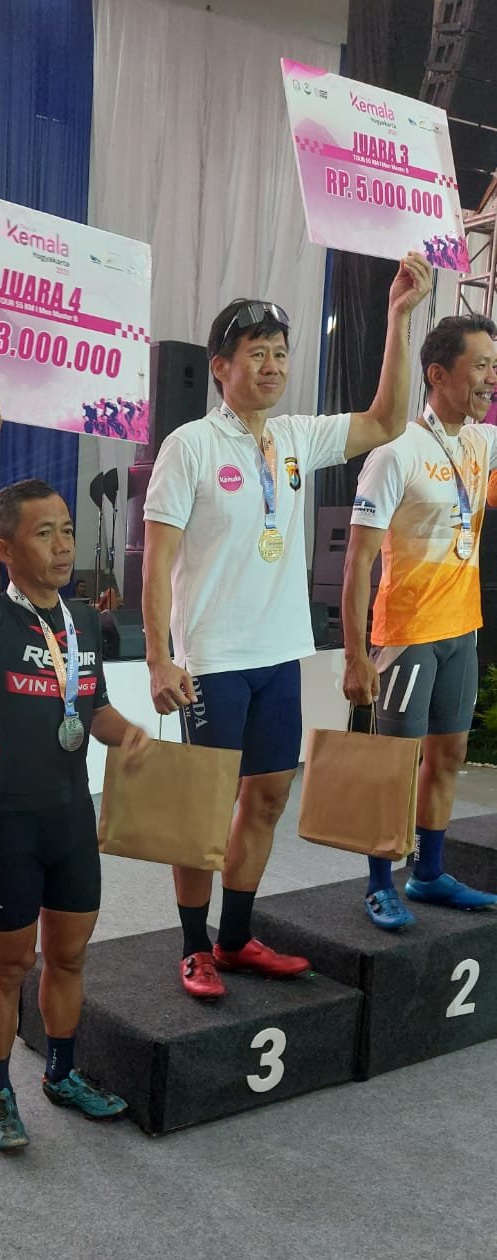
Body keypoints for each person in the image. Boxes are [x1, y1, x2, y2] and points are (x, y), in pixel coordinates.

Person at [142, 254, 433, 1000]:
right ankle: (193, 946)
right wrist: (159, 657)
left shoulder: (297, 436)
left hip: (279, 655)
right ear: (221, 368)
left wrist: (398, 319)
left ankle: (236, 938)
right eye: (257, 354)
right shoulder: (189, 446)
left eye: (280, 353)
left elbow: (386, 420)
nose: (272, 365)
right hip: (211, 660)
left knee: (268, 796)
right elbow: (157, 560)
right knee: (205, 809)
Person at [0, 393, 151, 1152]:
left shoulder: (83, 622)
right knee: (9, 964)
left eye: (67, 529)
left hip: (72, 817)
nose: (62, 544)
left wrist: (130, 736)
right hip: (10, 820)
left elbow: (93, 706)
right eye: (44, 533)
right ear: (5, 549)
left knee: (69, 956)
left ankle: (62, 1074)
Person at [342, 313, 497, 928]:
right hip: (406, 636)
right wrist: (356, 655)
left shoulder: (480, 443)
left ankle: (428, 873)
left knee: (449, 755)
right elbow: (357, 562)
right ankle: (380, 883)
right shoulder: (395, 453)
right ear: (437, 373)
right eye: (480, 365)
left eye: (494, 366)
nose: (491, 378)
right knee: (394, 768)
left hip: (462, 630)